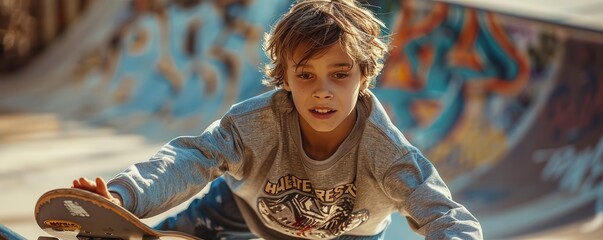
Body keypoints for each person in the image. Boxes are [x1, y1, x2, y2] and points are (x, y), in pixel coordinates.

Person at [72, 0, 483, 239]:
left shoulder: (387, 152)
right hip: (239, 212)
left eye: (339, 74)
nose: (322, 90)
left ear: (364, 76)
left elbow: (444, 214)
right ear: (284, 78)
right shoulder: (256, 123)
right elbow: (189, 159)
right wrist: (124, 196)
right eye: (305, 75)